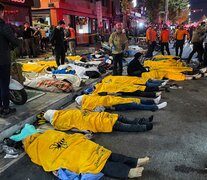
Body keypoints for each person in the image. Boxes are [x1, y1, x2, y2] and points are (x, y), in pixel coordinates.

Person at [10, 124, 150, 179]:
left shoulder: (38, 141)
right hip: (71, 149)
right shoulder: (39, 140)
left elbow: (41, 158)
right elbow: (43, 157)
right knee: (100, 158)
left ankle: (132, 166)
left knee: (100, 158)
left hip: (71, 149)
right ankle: (131, 166)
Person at [43, 109, 154, 132]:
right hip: (99, 117)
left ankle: (144, 124)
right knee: (122, 120)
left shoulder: (59, 123)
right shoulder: (64, 112)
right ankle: (144, 122)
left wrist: (84, 131)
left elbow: (73, 128)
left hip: (96, 122)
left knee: (122, 124)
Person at [0, 3, 19, 117]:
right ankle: (6, 108)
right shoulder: (4, 26)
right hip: (3, 61)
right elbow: (15, 42)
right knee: (4, 85)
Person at [75, 94, 167, 112]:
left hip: (117, 101)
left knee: (135, 100)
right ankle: (154, 107)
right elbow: (101, 110)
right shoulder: (88, 104)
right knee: (136, 104)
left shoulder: (91, 98)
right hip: (116, 105)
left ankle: (153, 101)